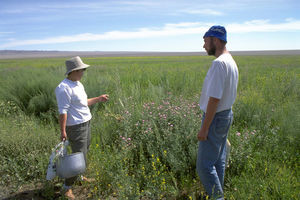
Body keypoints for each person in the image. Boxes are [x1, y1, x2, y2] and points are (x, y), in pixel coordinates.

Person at [55, 56, 109, 199]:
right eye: (80, 70)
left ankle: (79, 177)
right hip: (75, 127)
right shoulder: (63, 88)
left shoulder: (78, 84)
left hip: (86, 122)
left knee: (84, 151)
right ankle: (67, 188)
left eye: (83, 70)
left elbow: (84, 102)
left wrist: (98, 99)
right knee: (78, 157)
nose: (83, 72)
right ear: (72, 71)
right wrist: (63, 130)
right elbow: (63, 111)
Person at [196, 26, 239, 200]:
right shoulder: (230, 61)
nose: (204, 46)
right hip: (225, 115)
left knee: (204, 166)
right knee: (218, 160)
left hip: (215, 118)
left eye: (206, 41)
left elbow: (214, 99)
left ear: (215, 40)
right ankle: (217, 194)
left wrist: (205, 128)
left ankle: (218, 197)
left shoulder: (219, 63)